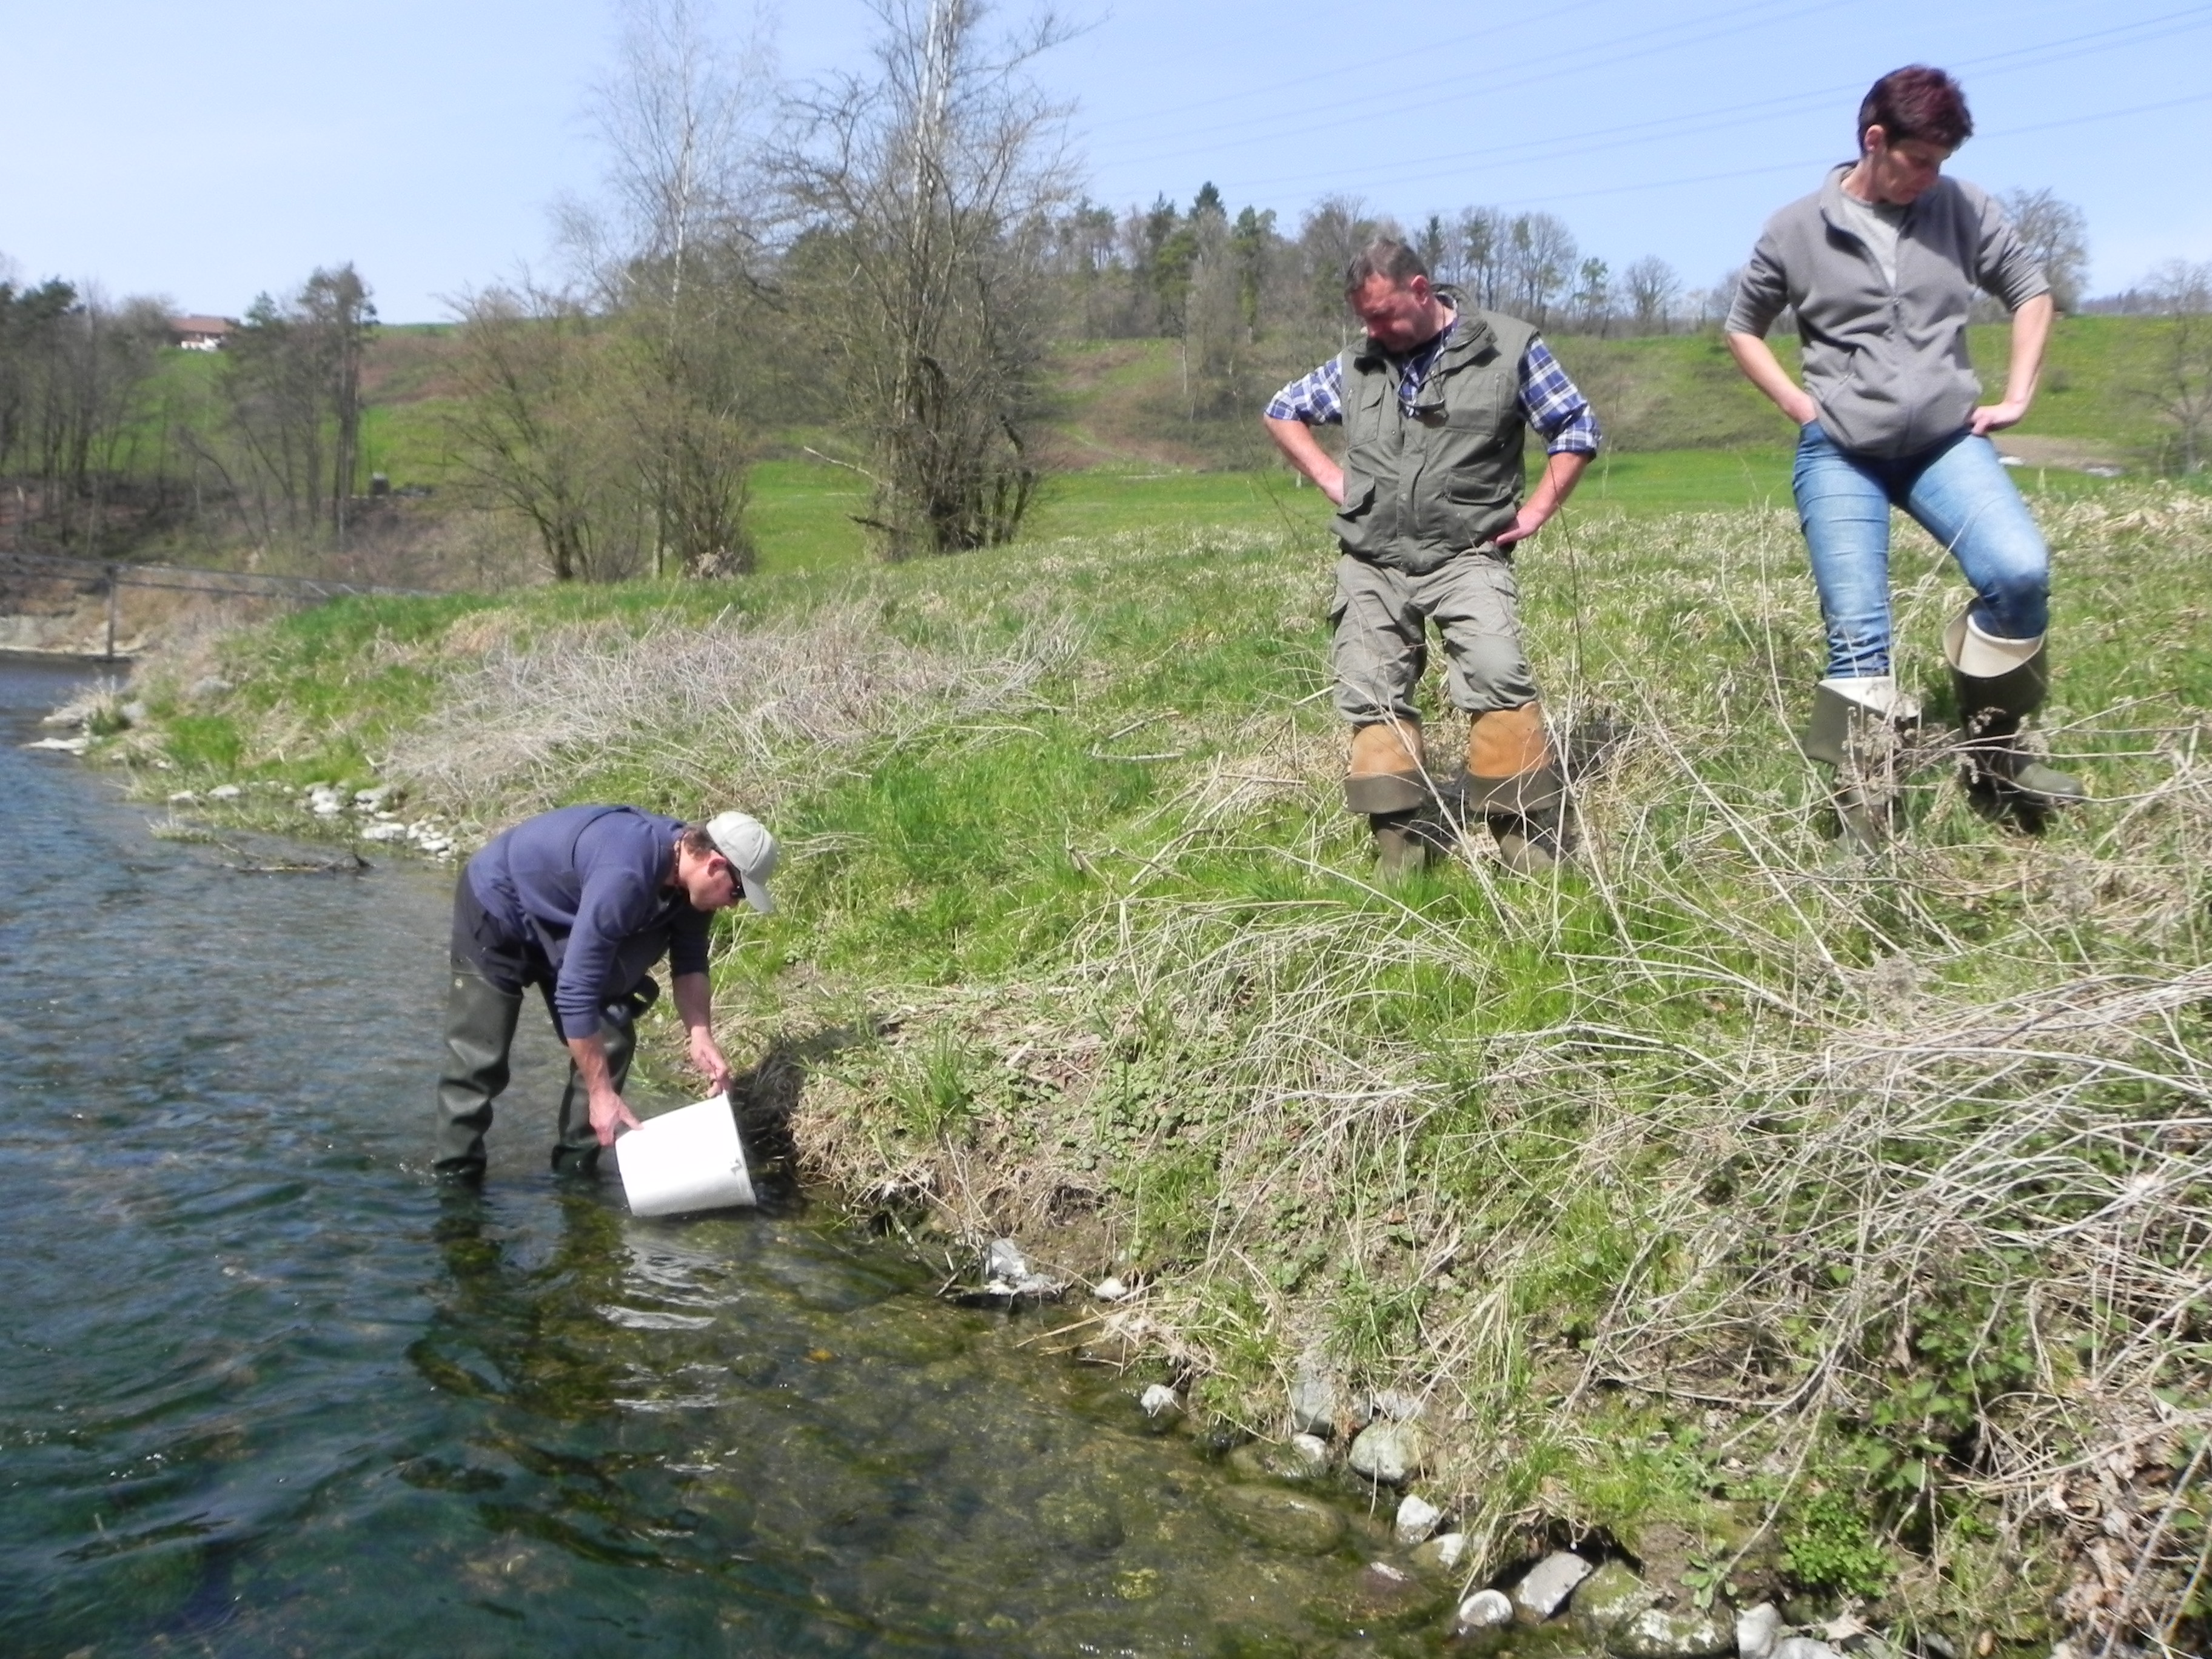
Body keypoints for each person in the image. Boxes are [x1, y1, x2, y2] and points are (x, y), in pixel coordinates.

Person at [1726, 65, 2085, 846]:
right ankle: (1867, 817)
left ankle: (1994, 751)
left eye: (1942, 163)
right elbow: (1742, 325)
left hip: (1943, 443)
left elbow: (2030, 290)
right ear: (1875, 140)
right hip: (1841, 452)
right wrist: (1796, 402)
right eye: (1919, 161)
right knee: (1858, 633)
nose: (1931, 178)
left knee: (2019, 573)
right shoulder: (1795, 227)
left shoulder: (1962, 206)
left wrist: (2018, 393)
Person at [1264, 238, 1600, 877]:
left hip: (1467, 552)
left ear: (1421, 291)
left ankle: (1527, 849)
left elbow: (1575, 428)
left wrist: (1535, 513)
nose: (1374, 330)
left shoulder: (1506, 347)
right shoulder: (1359, 363)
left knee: (1499, 677)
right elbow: (1284, 410)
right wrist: (1332, 479)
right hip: (1372, 557)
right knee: (1372, 694)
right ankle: (1402, 860)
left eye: (1385, 314)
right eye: (1365, 318)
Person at [431, 805, 779, 1182]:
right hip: (497, 911)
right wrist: (600, 1093)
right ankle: (456, 1180)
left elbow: (690, 958)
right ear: (714, 865)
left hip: (568, 917)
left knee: (611, 1037)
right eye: (739, 891)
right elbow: (576, 992)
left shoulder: (691, 886)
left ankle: (575, 1173)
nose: (732, 904)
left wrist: (700, 1033)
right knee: (480, 1059)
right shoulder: (627, 872)